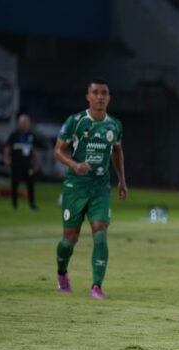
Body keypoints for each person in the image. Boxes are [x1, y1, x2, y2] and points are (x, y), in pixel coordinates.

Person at [53, 79, 127, 298]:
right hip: (75, 188)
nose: (100, 97)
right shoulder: (75, 121)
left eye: (104, 93)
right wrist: (75, 165)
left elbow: (117, 151)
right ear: (88, 96)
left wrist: (122, 180)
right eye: (95, 92)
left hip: (100, 189)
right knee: (69, 240)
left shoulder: (114, 125)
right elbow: (58, 151)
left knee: (101, 235)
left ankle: (96, 285)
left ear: (109, 97)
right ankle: (62, 273)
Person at [4, 114, 42, 210]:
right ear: (19, 124)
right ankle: (14, 205)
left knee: (31, 184)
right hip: (16, 164)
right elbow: (7, 147)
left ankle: (32, 204)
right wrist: (7, 159)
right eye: (22, 123)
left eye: (25, 123)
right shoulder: (14, 135)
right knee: (15, 184)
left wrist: (36, 161)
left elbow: (33, 149)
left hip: (27, 164)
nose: (24, 125)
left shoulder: (31, 136)